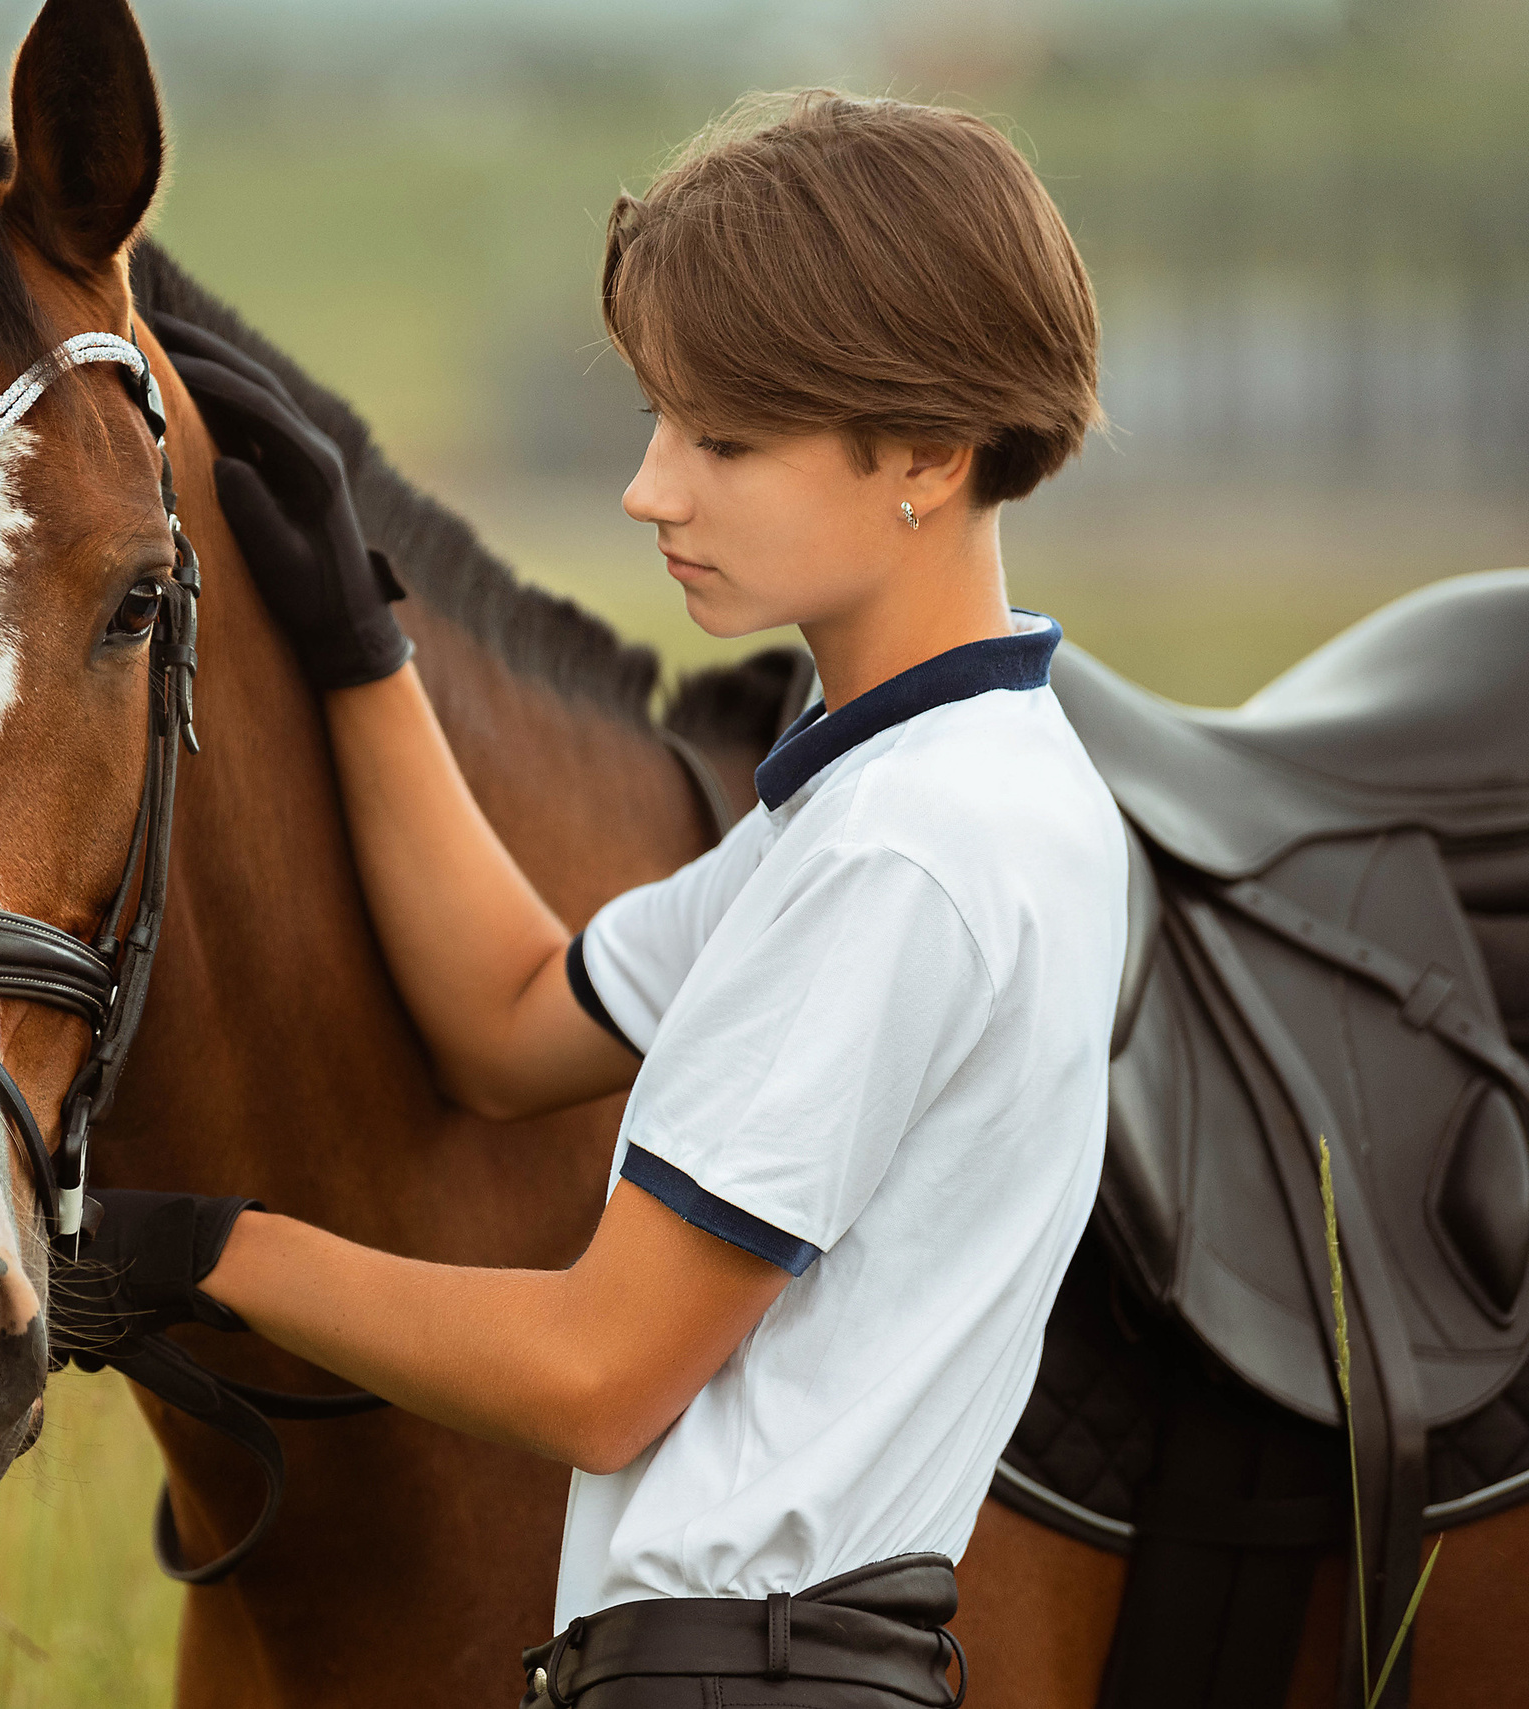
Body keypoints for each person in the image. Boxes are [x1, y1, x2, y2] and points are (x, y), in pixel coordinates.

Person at [86, 90, 1127, 1708]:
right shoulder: (917, 785)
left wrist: (210, 1253)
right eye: (660, 423)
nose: (653, 490)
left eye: (721, 440)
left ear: (928, 448)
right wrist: (363, 638)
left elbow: (600, 1372)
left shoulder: (903, 850)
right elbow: (509, 1018)